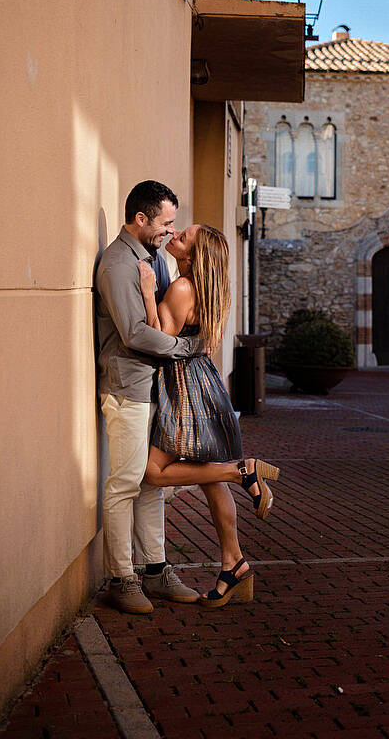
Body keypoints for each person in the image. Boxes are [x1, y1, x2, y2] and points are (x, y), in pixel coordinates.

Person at [137, 222, 280, 608]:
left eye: (183, 237)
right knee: (210, 479)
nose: (175, 235)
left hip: (183, 387)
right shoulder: (214, 290)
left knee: (154, 472)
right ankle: (234, 564)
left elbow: (159, 342)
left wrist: (148, 293)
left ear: (193, 255)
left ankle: (241, 471)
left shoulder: (183, 288)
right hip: (206, 382)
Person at [94, 180, 205, 615]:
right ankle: (122, 579)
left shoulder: (152, 257)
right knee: (124, 484)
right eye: (166, 223)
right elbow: (136, 334)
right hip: (127, 389)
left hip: (152, 386)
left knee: (150, 484)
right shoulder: (118, 264)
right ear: (140, 219)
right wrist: (187, 348)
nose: (170, 231)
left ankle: (156, 571)